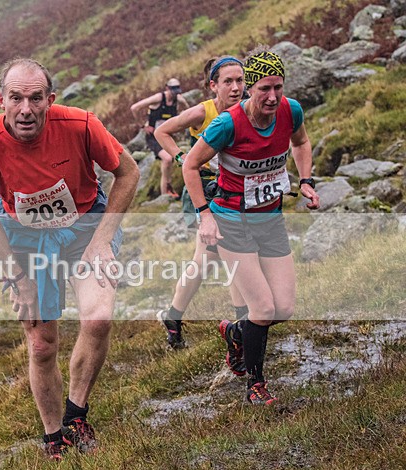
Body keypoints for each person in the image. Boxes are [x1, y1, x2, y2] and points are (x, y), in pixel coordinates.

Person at [0, 58, 139, 459]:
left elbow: (128, 173)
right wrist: (16, 277)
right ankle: (52, 437)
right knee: (42, 344)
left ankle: (76, 414)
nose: (26, 109)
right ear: (0, 100)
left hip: (84, 228)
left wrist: (102, 239)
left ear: (50, 100)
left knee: (98, 317)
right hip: (25, 239)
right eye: (16, 98)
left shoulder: (81, 125)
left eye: (35, 98)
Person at [183, 48, 320, 405]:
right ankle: (255, 386)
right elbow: (190, 165)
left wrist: (306, 180)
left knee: (283, 309)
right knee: (261, 309)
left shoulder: (291, 111)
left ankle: (235, 333)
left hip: (270, 217)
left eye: (278, 87)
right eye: (263, 89)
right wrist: (205, 214)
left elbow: (301, 142)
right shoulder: (227, 124)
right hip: (232, 220)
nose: (272, 96)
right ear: (250, 89)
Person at [153, 57, 248, 349]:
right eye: (228, 82)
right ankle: (241, 329)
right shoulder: (202, 111)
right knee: (228, 255)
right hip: (206, 191)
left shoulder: (247, 110)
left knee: (205, 261)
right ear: (213, 86)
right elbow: (162, 131)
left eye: (240, 81)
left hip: (235, 190)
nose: (235, 88)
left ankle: (173, 317)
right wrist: (182, 157)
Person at [130, 78, 190, 198]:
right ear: (167, 88)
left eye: (178, 90)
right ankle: (164, 194)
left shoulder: (178, 99)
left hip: (167, 136)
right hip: (153, 137)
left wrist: (181, 123)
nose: (176, 93)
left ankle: (168, 189)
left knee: (173, 160)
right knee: (167, 159)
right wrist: (143, 125)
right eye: (173, 90)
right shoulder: (158, 98)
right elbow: (134, 108)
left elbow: (188, 110)